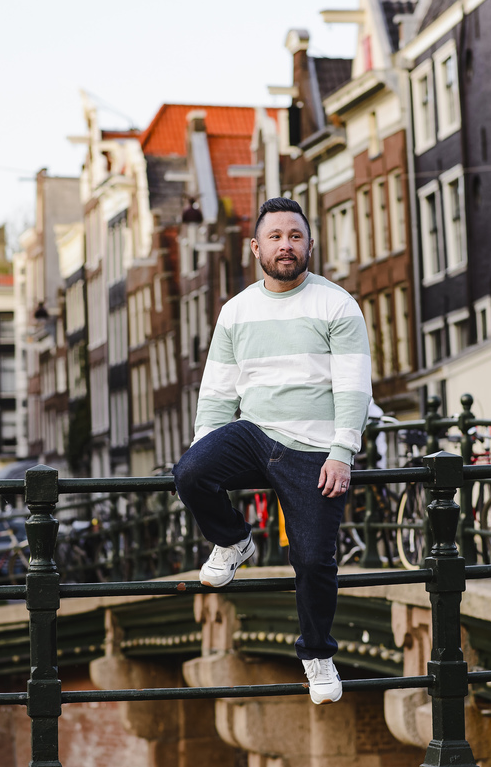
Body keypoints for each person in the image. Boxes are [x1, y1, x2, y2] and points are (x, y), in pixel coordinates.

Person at [173, 196, 372, 705]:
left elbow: (353, 388)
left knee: (312, 561)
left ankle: (317, 656)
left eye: (296, 236)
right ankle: (235, 541)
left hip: (314, 447)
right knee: (191, 470)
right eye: (277, 237)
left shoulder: (337, 304)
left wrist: (342, 453)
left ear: (309, 244)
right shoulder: (235, 311)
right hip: (254, 432)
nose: (287, 245)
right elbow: (217, 393)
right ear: (256, 247)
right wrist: (207, 448)